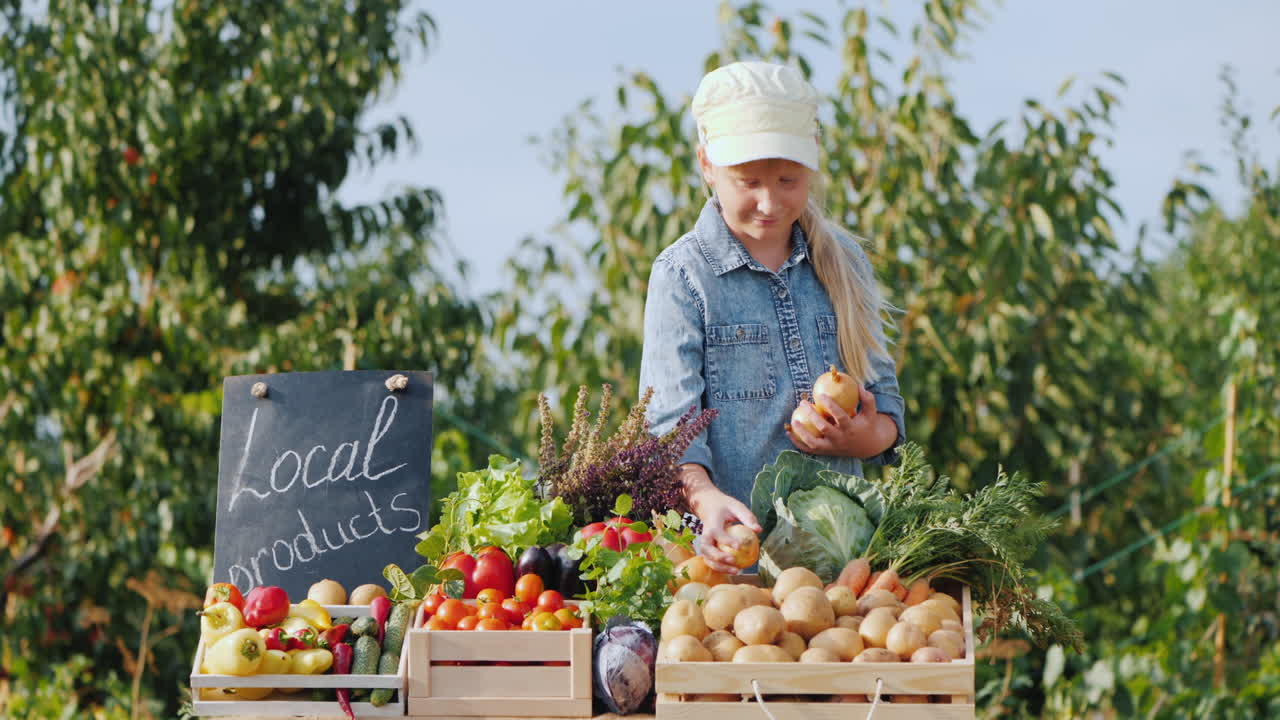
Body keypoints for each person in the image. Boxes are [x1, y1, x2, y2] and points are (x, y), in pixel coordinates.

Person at [638, 61, 905, 574]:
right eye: (748, 181)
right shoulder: (684, 275)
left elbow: (887, 407)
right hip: (732, 567)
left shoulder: (844, 263)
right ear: (706, 166)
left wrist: (863, 437)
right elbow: (671, 431)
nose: (769, 201)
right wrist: (706, 498)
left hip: (843, 572)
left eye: (788, 179)